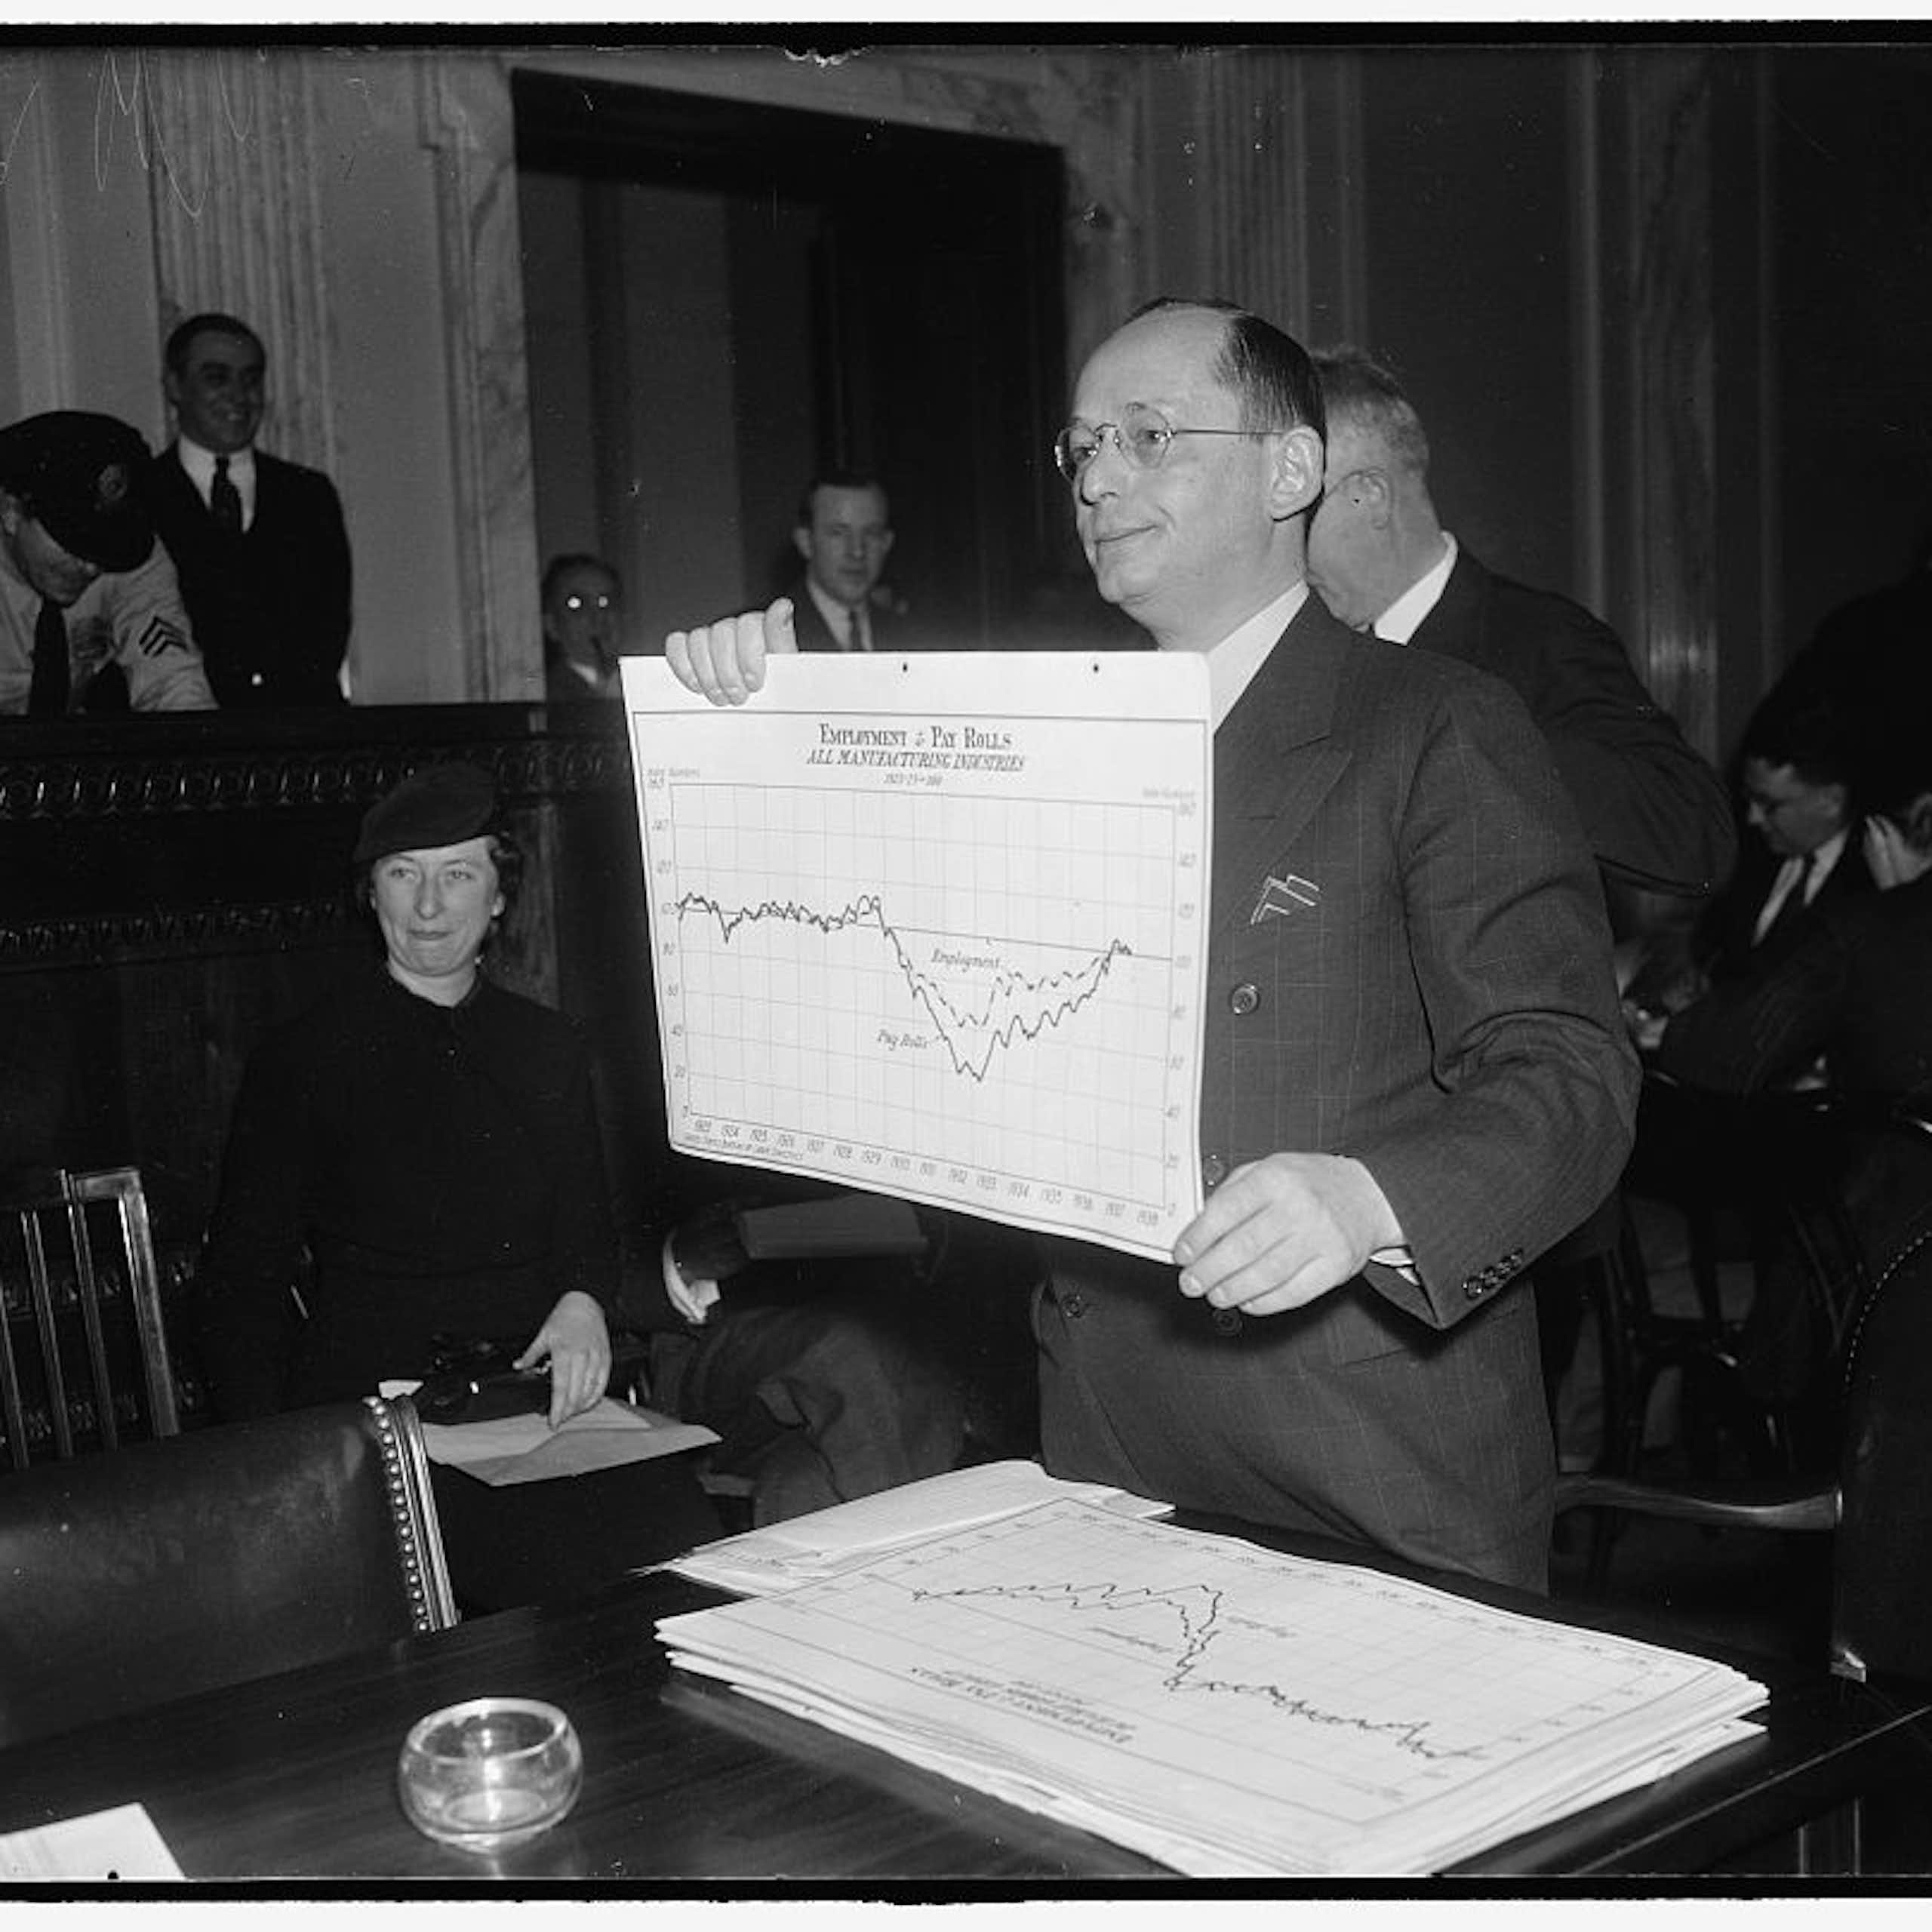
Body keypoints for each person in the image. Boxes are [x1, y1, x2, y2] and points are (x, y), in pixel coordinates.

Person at [663, 297, 1639, 1592]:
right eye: (1080, 449)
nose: (1100, 478)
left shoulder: (1434, 725)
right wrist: (762, 726)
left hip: (1373, 1473)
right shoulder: (1053, 736)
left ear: (1293, 469)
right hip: (1109, 1455)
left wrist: (1370, 1197)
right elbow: (874, 985)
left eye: (1148, 435)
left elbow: (1570, 1075)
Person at [196, 761, 718, 1604]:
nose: (430, 907)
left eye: (458, 874)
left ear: (500, 895)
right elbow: (240, 1289)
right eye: (404, 875)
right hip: (376, 1413)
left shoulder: (549, 1048)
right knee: (538, 1585)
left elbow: (587, 1229)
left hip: (535, 1400)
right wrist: (287, 1464)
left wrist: (583, 1299)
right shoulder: (304, 1058)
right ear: (371, 895)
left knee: (683, 1554)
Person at [1306, 346, 1735, 901]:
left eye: (1297, 516)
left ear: (1370, 496)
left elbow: (1694, 835)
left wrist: (1473, 736)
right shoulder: (1314, 649)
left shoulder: (1542, 638)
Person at [144, 312, 352, 709]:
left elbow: (327, 635)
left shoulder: (309, 496)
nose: (239, 396)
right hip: (183, 739)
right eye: (217, 377)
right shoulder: (142, 496)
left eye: (251, 379)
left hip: (298, 735)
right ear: (175, 385)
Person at [0, 410, 215, 715]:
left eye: (104, 548)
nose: (91, 568)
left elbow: (174, 682)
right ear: (11, 511)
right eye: (73, 544)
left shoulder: (126, 555)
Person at [787, 471, 904, 653]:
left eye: (871, 533)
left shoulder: (914, 637)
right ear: (806, 542)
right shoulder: (768, 637)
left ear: (887, 543)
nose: (857, 552)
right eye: (838, 533)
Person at [541, 552, 624, 702]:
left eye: (605, 602)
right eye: (577, 605)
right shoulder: (546, 694)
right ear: (551, 625)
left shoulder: (641, 683)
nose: (598, 617)